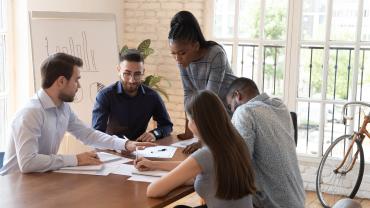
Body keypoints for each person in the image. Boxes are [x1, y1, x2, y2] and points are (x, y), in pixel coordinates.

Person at [0, 53, 154, 175]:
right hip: (13, 187)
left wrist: (126, 144)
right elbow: (28, 163)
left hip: (39, 180)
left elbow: (88, 135)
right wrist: (76, 159)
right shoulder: (31, 113)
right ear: (61, 81)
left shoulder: (62, 108)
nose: (79, 86)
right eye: (76, 80)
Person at [134, 90, 256, 208]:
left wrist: (178, 180)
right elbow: (190, 166)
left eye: (189, 119)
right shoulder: (236, 142)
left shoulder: (206, 154)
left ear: (197, 121)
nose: (189, 124)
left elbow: (153, 191)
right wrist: (153, 164)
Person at [226, 77, 305, 208]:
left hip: (272, 204)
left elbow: (239, 163)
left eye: (230, 106)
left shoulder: (244, 112)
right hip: (297, 201)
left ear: (237, 95)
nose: (232, 111)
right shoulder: (280, 106)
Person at [168, 11, 237, 151]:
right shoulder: (182, 60)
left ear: (196, 46)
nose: (178, 59)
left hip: (230, 114)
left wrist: (202, 141)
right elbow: (189, 94)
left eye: (182, 53)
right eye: (173, 54)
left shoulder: (216, 54)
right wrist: (189, 129)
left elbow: (209, 99)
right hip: (210, 117)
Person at [92, 49, 173, 142]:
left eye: (137, 74)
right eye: (127, 73)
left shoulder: (152, 96)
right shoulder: (105, 96)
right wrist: (121, 145)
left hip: (140, 148)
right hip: (113, 149)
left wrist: (154, 134)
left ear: (143, 72)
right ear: (118, 70)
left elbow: (167, 125)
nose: (132, 80)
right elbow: (97, 134)